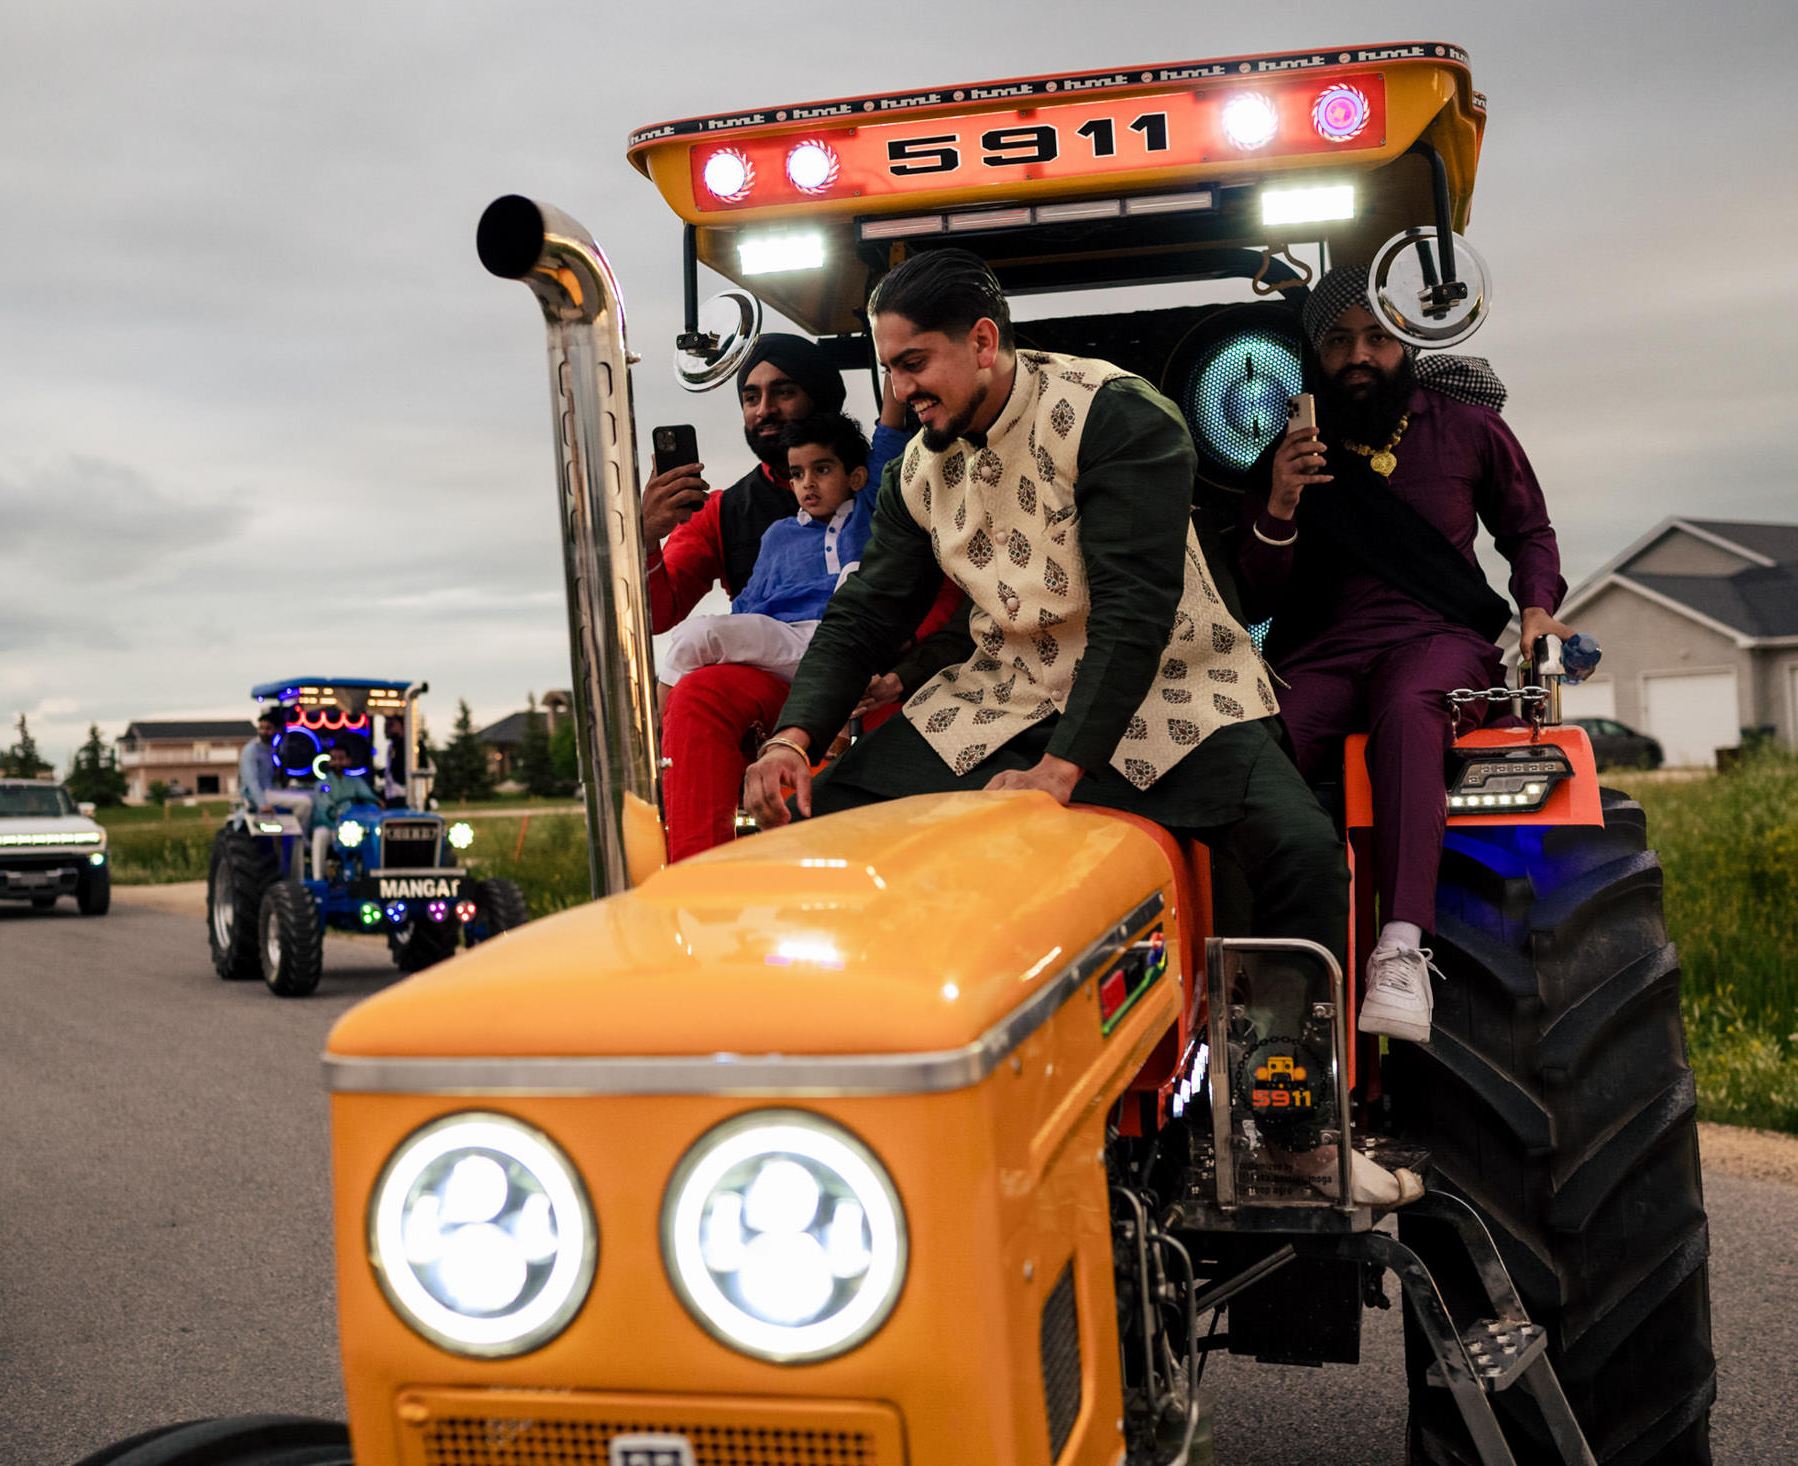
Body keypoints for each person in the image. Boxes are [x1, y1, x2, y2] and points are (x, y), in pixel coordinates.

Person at [741, 249, 1415, 1206]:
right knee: (834, 833)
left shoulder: (1116, 413)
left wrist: (1061, 772)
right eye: (887, 367)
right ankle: (863, 1124)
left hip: (1174, 683)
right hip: (1005, 691)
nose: (899, 392)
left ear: (983, 343)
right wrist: (793, 740)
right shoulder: (917, 471)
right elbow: (865, 615)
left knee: (1304, 851)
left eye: (914, 363)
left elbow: (1138, 606)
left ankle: (1292, 1130)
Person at [1233, 266, 1569, 1045]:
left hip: (1435, 640)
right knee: (1251, 747)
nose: (1360, 355)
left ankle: (1401, 949)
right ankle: (1262, 962)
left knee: (1412, 707)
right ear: (1315, 355)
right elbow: (1254, 595)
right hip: (1321, 651)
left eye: (1377, 337)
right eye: (1340, 340)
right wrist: (1281, 501)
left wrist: (1538, 611)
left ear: (1406, 340)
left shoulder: (1467, 427)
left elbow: (1529, 534)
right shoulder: (1289, 449)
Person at [642, 333, 939, 863]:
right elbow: (660, 610)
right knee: (698, 693)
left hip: (883, 672)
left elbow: (945, 584)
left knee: (882, 693)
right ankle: (695, 876)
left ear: (821, 396)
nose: (764, 409)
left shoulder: (883, 481)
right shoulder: (724, 510)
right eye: (750, 398)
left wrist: (905, 667)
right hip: (780, 672)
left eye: (782, 392)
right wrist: (644, 537)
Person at [657, 413, 884, 688]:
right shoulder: (779, 534)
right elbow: (749, 602)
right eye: (798, 474)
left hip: (852, 640)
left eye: (822, 470)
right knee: (699, 635)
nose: (808, 483)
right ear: (791, 485)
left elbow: (889, 437)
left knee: (855, 574)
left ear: (857, 478)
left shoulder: (870, 513)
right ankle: (653, 727)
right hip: (785, 640)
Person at [309, 741, 382, 880]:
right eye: (334, 759)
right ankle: (317, 878)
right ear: (329, 761)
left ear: (348, 761)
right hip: (332, 828)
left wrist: (377, 804)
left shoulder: (356, 782)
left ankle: (372, 876)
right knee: (320, 834)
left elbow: (370, 800)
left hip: (354, 829)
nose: (337, 762)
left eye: (341, 758)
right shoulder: (323, 784)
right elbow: (324, 809)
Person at [239, 707, 313, 830]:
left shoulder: (272, 749)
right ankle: (299, 837)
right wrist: (262, 804)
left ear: (277, 730)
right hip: (259, 795)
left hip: (270, 790)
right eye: (261, 728)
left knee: (310, 795)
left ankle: (300, 837)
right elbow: (250, 780)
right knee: (305, 802)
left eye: (268, 728)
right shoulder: (251, 750)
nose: (264, 732)